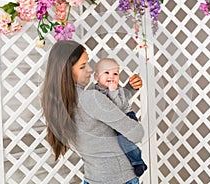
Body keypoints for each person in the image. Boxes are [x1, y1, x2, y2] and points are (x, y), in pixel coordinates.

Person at [41, 40, 144, 184]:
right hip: (119, 178)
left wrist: (129, 89)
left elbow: (102, 110)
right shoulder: (90, 98)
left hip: (92, 178)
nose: (90, 70)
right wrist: (127, 110)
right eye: (83, 66)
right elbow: (137, 133)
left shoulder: (57, 104)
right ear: (67, 71)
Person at [94, 58, 147, 177]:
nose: (111, 77)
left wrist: (113, 92)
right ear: (96, 77)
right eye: (106, 73)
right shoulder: (93, 92)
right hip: (112, 121)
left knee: (124, 139)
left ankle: (137, 161)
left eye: (115, 74)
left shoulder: (118, 91)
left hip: (126, 117)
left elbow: (117, 108)